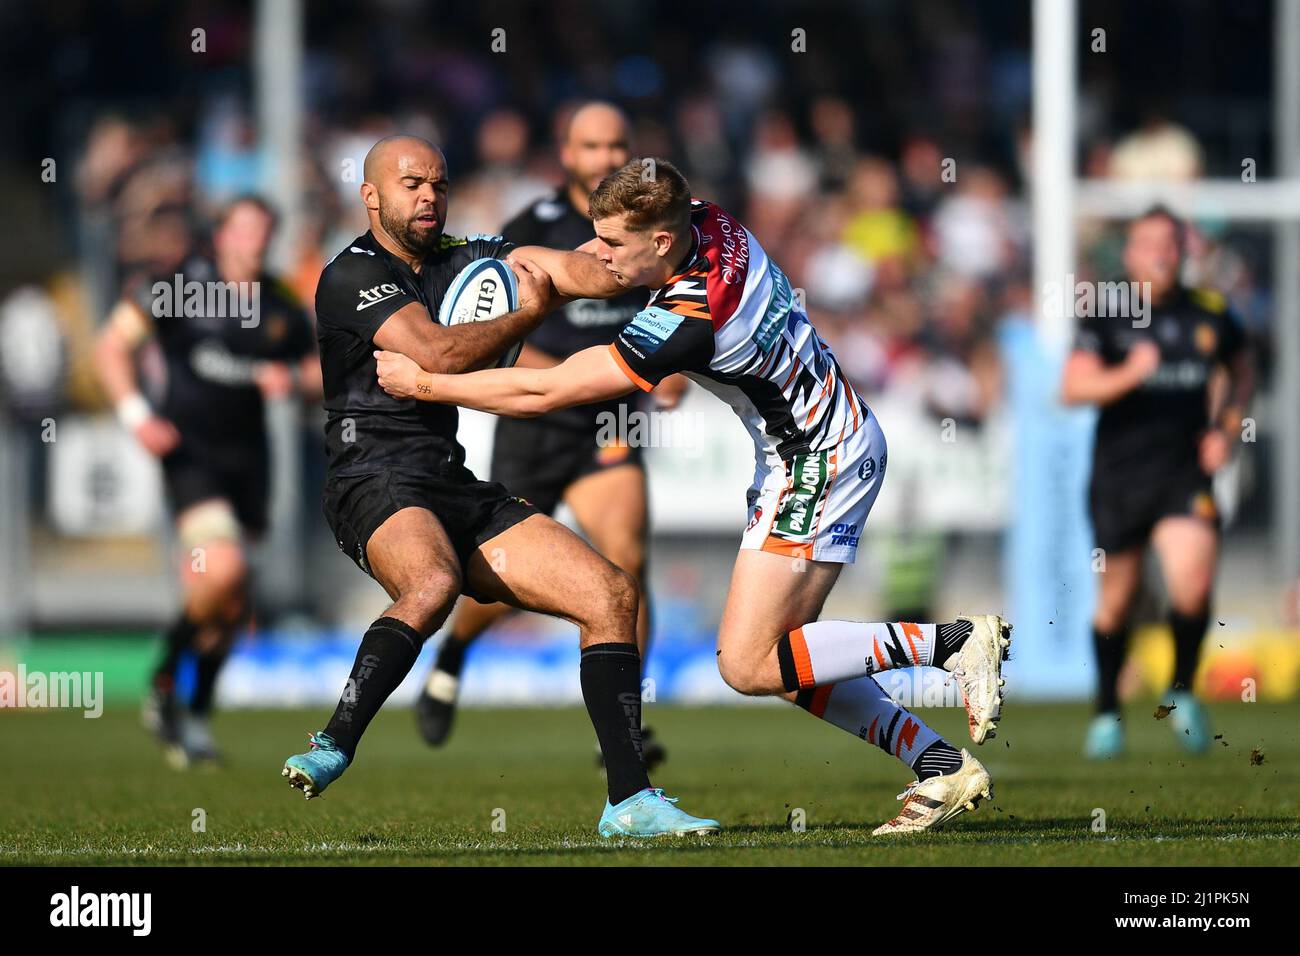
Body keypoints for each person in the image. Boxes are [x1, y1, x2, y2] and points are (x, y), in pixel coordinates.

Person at [377, 158, 1012, 835]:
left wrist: (429, 385)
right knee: (787, 658)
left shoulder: (688, 314)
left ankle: (950, 641)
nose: (602, 256)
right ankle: (939, 763)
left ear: (657, 243)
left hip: (817, 461)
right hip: (820, 442)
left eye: (615, 245)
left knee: (748, 662)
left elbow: (549, 390)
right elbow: (623, 251)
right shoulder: (708, 219)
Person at [284, 135, 719, 838]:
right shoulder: (350, 274)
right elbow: (433, 353)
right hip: (370, 477)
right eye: (411, 184)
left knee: (611, 594)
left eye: (439, 182)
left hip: (450, 480)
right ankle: (334, 741)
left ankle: (629, 801)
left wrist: (638, 256)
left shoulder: (467, 253)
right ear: (370, 196)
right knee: (432, 582)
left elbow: (575, 269)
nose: (429, 196)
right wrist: (534, 310)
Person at [416, 103, 683, 769]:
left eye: (617, 144)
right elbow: (499, 336)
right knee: (506, 583)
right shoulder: (531, 229)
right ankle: (454, 649)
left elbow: (683, 311)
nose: (605, 157)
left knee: (626, 563)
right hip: (536, 419)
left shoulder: (652, 230)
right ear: (566, 153)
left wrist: (669, 368)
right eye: (591, 146)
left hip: (607, 422)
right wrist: (569, 376)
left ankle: (621, 726)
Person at [95, 195, 321, 767]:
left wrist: (292, 378)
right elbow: (111, 346)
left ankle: (192, 717)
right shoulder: (179, 287)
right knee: (222, 569)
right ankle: (166, 678)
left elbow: (324, 370)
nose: (254, 242)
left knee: (230, 605)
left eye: (264, 232)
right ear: (220, 236)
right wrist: (136, 415)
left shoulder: (280, 302)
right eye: (243, 230)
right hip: (191, 456)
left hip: (252, 464)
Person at [1061, 205, 1253, 758]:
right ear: (1130, 254)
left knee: (1192, 582)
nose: (1162, 254)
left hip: (1183, 475)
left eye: (1171, 244)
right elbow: (1072, 389)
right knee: (1116, 603)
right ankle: (1105, 711)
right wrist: (1129, 373)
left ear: (1184, 252)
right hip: (1119, 480)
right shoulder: (1106, 315)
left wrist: (1227, 427)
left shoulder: (1212, 312)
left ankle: (1182, 692)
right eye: (1150, 244)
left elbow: (1243, 368)